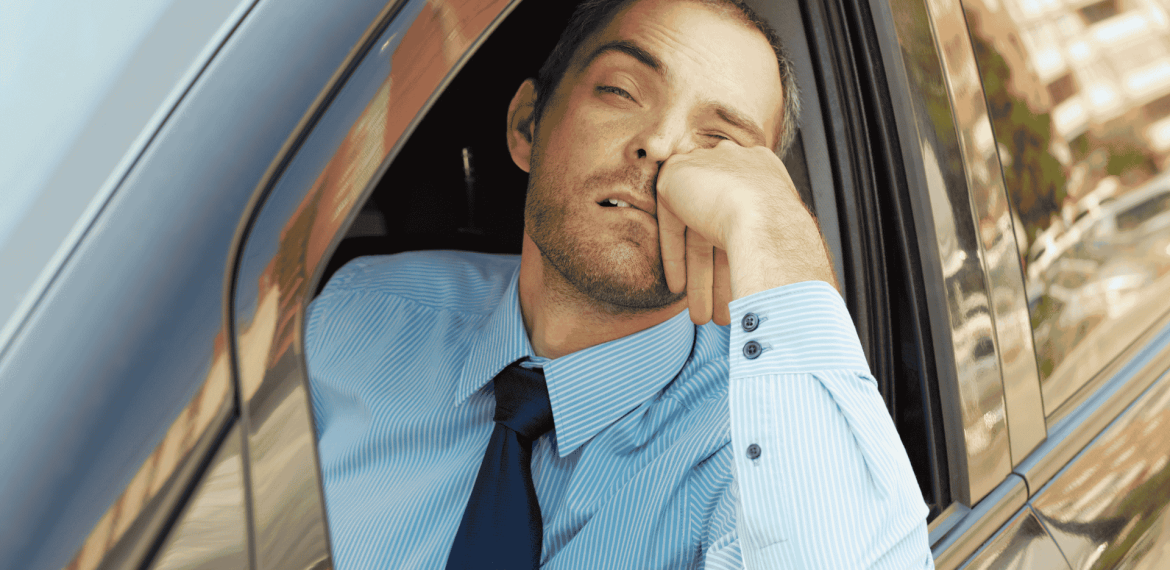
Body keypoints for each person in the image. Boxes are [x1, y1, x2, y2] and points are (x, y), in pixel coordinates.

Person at [306, 0, 934, 568]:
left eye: (718, 143)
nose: (659, 144)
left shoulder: (756, 458)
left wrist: (776, 235)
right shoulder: (355, 316)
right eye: (620, 90)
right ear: (528, 124)